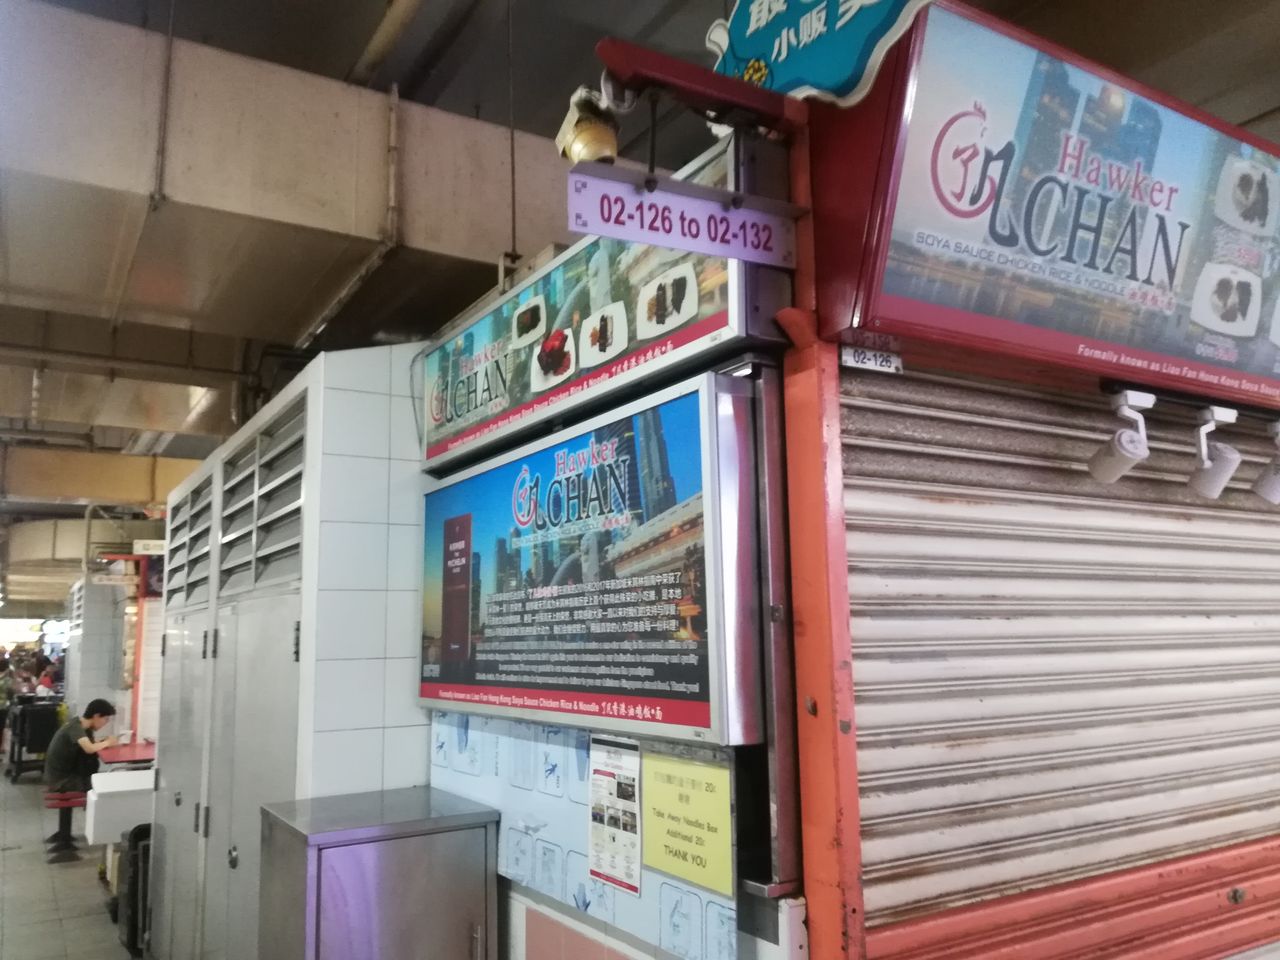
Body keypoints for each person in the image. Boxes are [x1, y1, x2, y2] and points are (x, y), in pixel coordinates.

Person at [44, 699, 119, 793]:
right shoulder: (75, 727)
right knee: (105, 784)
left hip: (64, 776)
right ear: (96, 716)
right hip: (61, 782)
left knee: (99, 778)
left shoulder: (82, 726)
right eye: (106, 719)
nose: (106, 723)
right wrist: (108, 742)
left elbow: (91, 744)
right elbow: (89, 748)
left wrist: (104, 742)